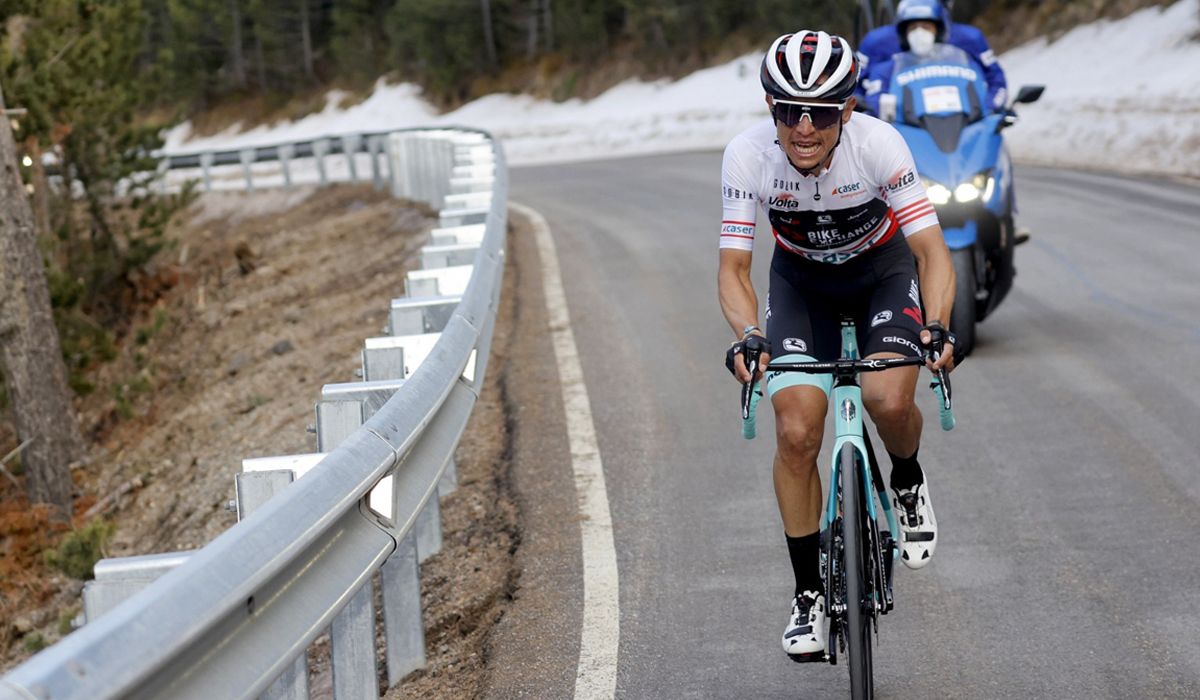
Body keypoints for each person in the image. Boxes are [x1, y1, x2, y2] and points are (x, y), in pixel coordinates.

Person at [718, 29, 956, 661]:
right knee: (797, 430)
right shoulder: (747, 155)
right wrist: (749, 336)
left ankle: (907, 478)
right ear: (769, 107)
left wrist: (936, 324)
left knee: (888, 398)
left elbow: (931, 251)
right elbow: (734, 269)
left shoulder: (879, 144)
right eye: (789, 111)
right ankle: (807, 593)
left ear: (848, 108)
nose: (804, 128)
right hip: (801, 286)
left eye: (822, 113)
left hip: (882, 274)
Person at [857, 0, 1007, 112]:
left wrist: (989, 107)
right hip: (904, 124)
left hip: (962, 118)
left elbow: (995, 78)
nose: (920, 32)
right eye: (913, 27)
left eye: (927, 27)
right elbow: (859, 89)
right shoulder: (877, 46)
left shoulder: (970, 38)